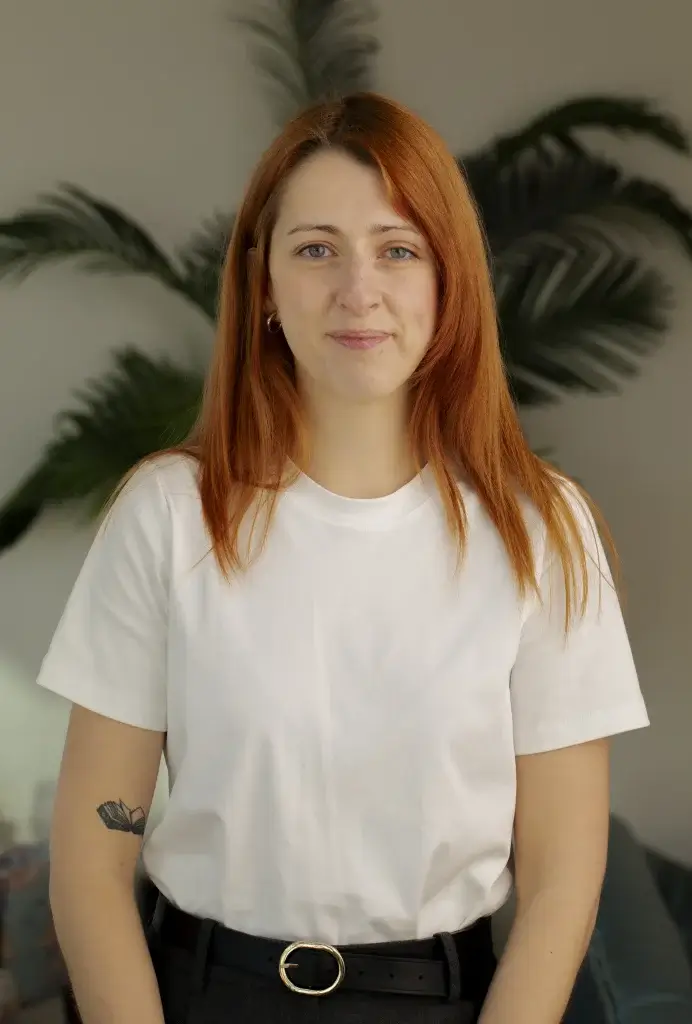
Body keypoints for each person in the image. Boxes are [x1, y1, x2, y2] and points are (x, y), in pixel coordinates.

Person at [38, 92, 649, 1024]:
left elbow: (564, 883)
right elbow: (90, 862)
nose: (357, 290)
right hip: (195, 996)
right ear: (265, 283)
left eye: (397, 249)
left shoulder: (541, 533)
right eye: (316, 248)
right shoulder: (167, 514)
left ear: (447, 281)